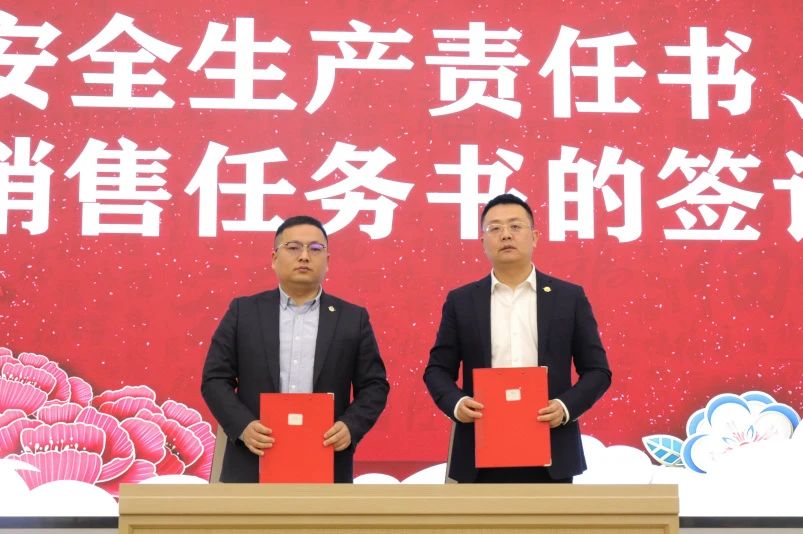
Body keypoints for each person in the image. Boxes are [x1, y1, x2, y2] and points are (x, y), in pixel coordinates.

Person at [423, 194, 611, 483]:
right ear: (483, 242)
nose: (506, 235)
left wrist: (564, 408)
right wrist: (457, 404)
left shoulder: (568, 297)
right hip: (479, 448)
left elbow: (597, 371)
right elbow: (437, 370)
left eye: (515, 226)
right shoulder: (462, 301)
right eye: (495, 228)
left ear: (535, 237)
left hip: (551, 447)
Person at [201, 215, 389, 483]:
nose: (304, 256)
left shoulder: (352, 318)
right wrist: (243, 426)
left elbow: (374, 385)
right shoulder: (244, 312)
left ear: (328, 261)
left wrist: (351, 426)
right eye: (293, 247)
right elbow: (215, 378)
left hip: (327, 458)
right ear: (274, 258)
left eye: (315, 249)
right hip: (253, 458)